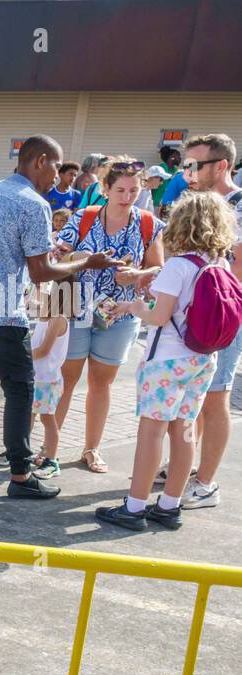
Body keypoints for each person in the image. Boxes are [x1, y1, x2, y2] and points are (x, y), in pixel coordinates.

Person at [0, 134, 122, 498]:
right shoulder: (33, 204)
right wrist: (89, 260)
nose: (59, 176)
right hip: (0, 313)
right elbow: (41, 272)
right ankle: (22, 476)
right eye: (56, 166)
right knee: (21, 389)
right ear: (39, 161)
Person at [96, 191, 238, 531]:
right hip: (202, 359)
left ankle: (134, 507)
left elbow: (158, 317)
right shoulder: (218, 263)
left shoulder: (179, 266)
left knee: (151, 431)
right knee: (185, 430)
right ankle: (170, 505)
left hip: (167, 361)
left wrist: (133, 306)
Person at [52, 158, 165, 474]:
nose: (127, 197)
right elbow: (57, 257)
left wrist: (138, 274)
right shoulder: (84, 217)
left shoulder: (147, 223)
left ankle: (91, 449)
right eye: (120, 190)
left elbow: (159, 267)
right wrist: (88, 260)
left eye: (133, 190)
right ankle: (49, 450)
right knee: (66, 380)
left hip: (120, 316)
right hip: (75, 311)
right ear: (105, 189)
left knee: (101, 384)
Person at [156, 133, 242, 509]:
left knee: (216, 395)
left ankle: (205, 483)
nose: (187, 172)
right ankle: (185, 467)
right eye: (186, 165)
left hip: (221, 316)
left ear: (222, 166)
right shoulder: (200, 203)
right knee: (196, 396)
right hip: (193, 314)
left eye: (196, 165)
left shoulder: (238, 206)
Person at [30, 308, 70, 479]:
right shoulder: (44, 317)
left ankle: (51, 461)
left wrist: (20, 356)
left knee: (47, 419)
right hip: (36, 377)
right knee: (28, 416)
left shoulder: (58, 318)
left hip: (47, 380)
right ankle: (18, 451)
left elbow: (44, 350)